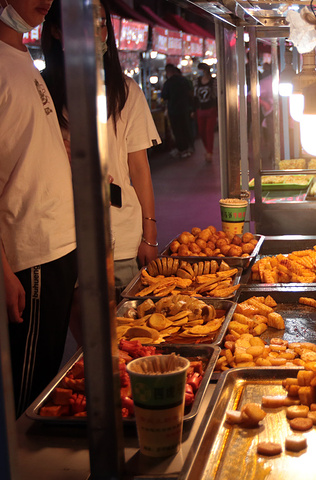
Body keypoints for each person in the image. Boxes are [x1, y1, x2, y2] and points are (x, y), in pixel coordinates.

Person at [42, 0, 160, 302]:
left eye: (102, 23)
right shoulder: (42, 92)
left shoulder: (126, 91)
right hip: (62, 238)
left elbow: (139, 168)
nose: (96, 32)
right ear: (56, 31)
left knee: (121, 334)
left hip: (119, 233)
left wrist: (150, 233)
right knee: (87, 338)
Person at [0, 0, 78, 417]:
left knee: (47, 372)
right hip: (29, 255)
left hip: (58, 245)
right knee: (27, 400)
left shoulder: (22, 59)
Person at [161, 63, 194, 158]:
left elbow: (164, 96)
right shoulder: (184, 80)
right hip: (185, 109)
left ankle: (182, 149)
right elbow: (191, 94)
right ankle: (188, 148)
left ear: (168, 72)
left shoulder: (168, 83)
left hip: (174, 110)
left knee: (177, 131)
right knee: (186, 128)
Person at [195, 62, 217, 163]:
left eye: (200, 70)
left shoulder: (213, 81)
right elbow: (195, 96)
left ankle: (209, 152)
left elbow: (216, 95)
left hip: (211, 108)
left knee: (209, 131)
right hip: (200, 109)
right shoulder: (197, 81)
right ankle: (207, 149)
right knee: (201, 131)